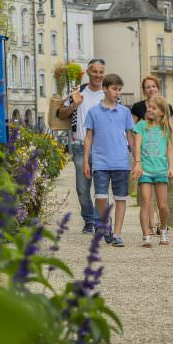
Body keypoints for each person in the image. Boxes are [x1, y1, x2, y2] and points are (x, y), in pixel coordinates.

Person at [83, 74, 135, 247]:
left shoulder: (125, 112)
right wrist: (85, 161)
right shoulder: (93, 112)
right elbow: (88, 138)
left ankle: (118, 234)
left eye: (119, 89)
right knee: (100, 197)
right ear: (105, 89)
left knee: (121, 199)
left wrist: (138, 161)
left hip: (121, 162)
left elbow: (130, 137)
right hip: (100, 162)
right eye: (114, 89)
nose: (117, 92)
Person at [58, 58, 106, 233]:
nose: (98, 75)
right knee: (82, 189)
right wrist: (75, 104)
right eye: (95, 71)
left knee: (101, 189)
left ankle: (98, 221)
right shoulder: (78, 92)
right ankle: (88, 220)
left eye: (101, 72)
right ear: (88, 72)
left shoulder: (108, 94)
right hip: (80, 146)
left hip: (102, 148)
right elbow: (61, 113)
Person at [130, 75, 172, 235]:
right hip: (145, 157)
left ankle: (160, 225)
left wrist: (171, 164)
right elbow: (132, 130)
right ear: (144, 90)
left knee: (161, 201)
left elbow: (169, 132)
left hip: (160, 158)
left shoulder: (165, 107)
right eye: (147, 86)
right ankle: (150, 225)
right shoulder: (138, 107)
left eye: (153, 86)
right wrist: (136, 157)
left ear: (158, 88)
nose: (151, 89)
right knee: (147, 199)